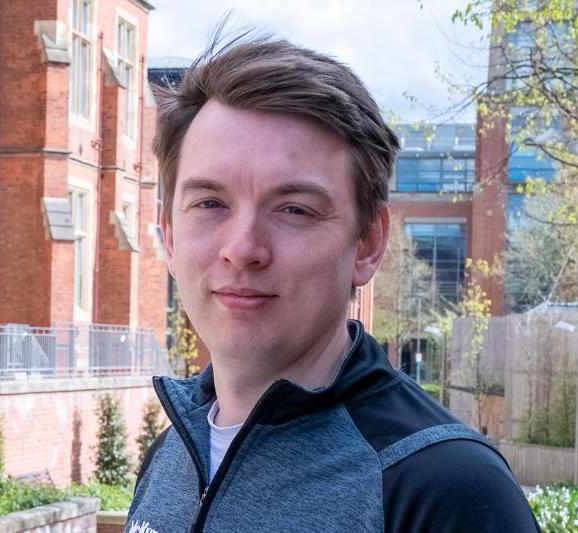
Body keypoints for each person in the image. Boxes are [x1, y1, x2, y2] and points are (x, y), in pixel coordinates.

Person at [128, 32, 540, 533]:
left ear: (367, 242)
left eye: (294, 209)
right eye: (210, 203)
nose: (242, 248)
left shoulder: (445, 487)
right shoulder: (172, 456)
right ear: (169, 235)